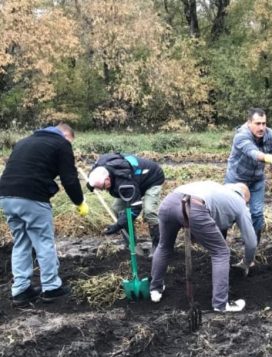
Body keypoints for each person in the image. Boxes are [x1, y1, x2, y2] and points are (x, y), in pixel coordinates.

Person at [0, 123, 89, 307]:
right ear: (65, 136)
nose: (69, 146)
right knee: (43, 241)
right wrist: (79, 202)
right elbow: (69, 179)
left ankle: (21, 291)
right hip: (32, 196)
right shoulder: (61, 143)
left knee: (21, 241)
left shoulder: (25, 141)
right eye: (70, 142)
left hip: (6, 195)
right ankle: (51, 288)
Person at [150, 181, 256, 312]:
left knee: (164, 246)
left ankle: (155, 290)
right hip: (194, 206)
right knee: (221, 252)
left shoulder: (217, 189)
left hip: (169, 202)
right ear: (245, 198)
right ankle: (221, 304)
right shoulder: (239, 203)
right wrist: (247, 262)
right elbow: (251, 242)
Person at [224, 107, 272, 244]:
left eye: (264, 123)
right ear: (249, 122)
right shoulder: (241, 136)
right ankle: (219, 246)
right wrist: (269, 158)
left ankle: (253, 246)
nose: (261, 127)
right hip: (236, 180)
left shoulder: (270, 135)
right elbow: (253, 153)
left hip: (257, 180)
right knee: (229, 214)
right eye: (257, 124)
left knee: (257, 214)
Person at [87, 153, 165, 256]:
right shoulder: (99, 169)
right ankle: (132, 244)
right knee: (117, 208)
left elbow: (136, 207)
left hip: (152, 179)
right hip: (135, 181)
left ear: (107, 178)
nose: (103, 190)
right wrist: (91, 186)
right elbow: (92, 179)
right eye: (100, 188)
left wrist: (118, 225)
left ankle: (157, 245)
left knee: (149, 211)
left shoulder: (124, 181)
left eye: (103, 187)